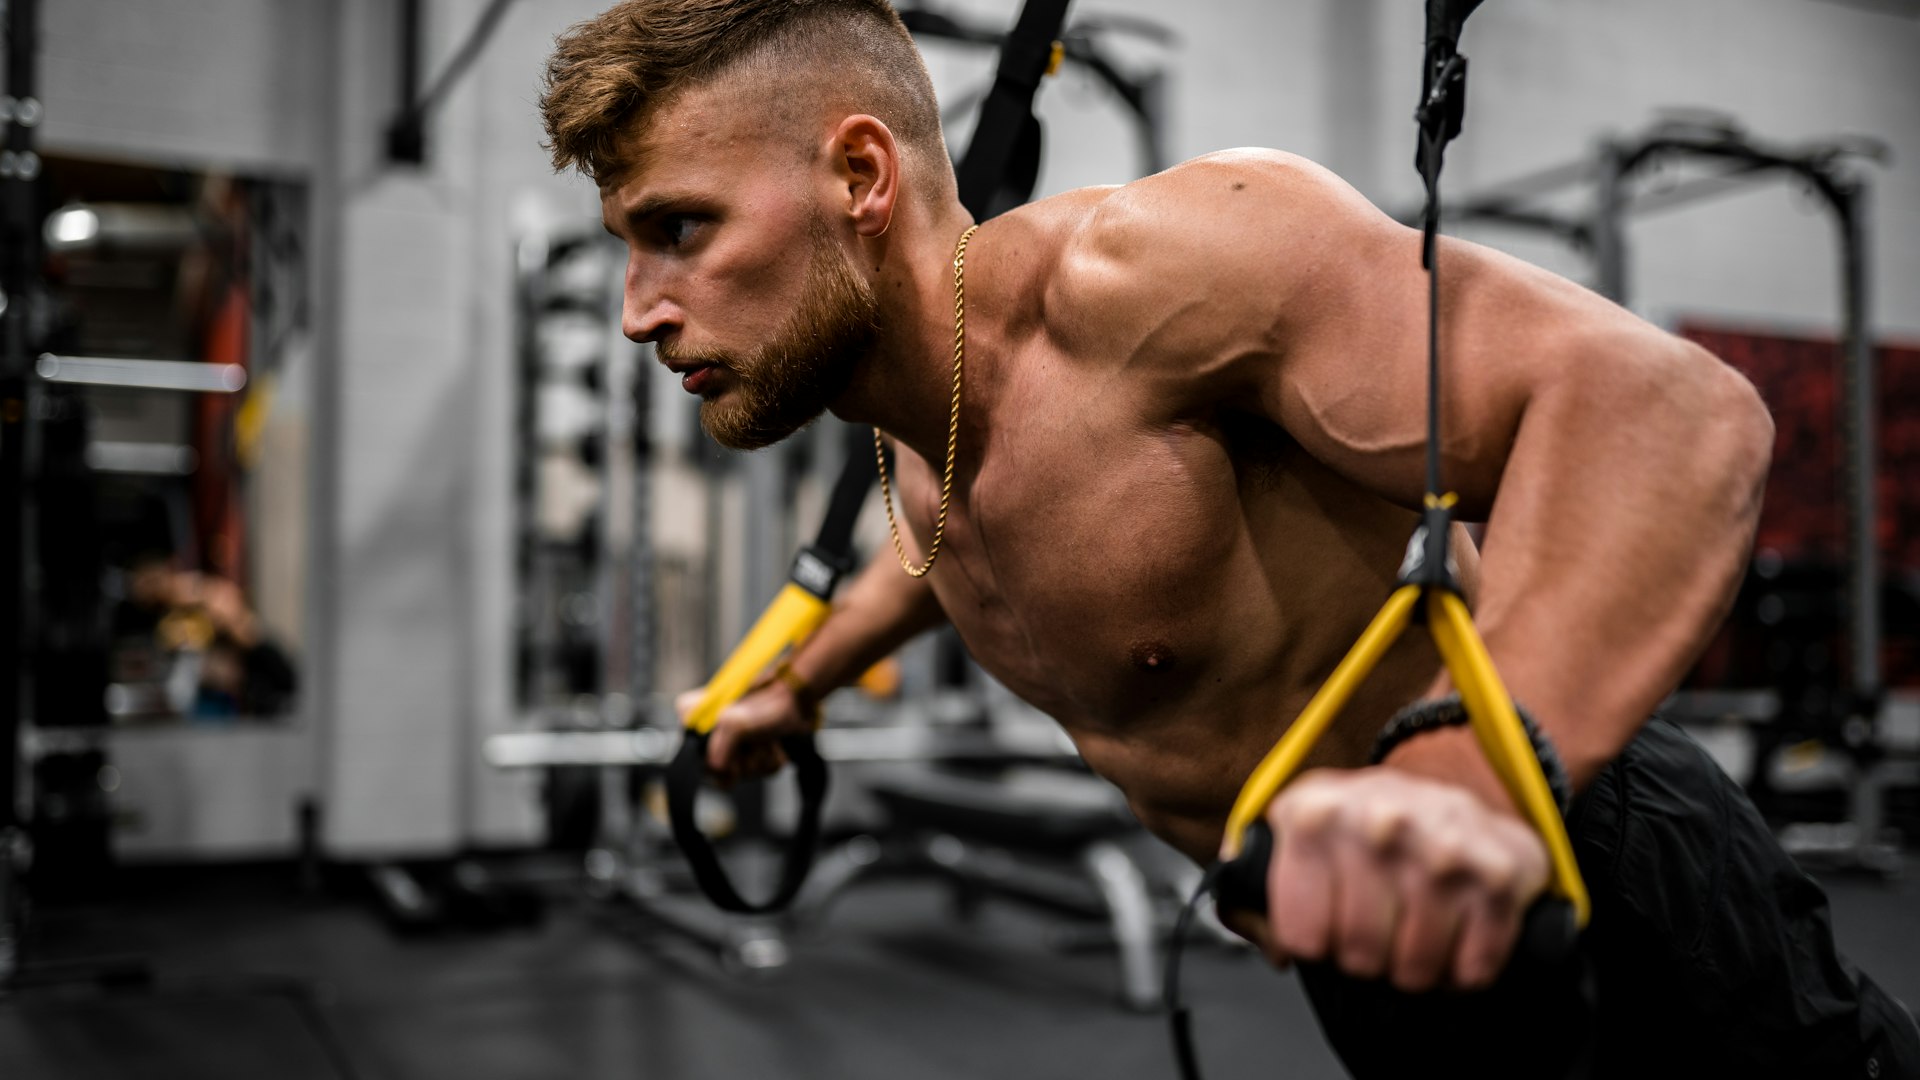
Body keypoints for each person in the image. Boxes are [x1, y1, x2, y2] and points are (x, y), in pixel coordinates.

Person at [539, 2, 1919, 1075]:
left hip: (1573, 852)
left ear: (858, 173)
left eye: (678, 230)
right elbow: (963, 557)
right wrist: (802, 683)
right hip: (1359, 944)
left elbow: (1669, 410)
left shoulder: (1158, 279)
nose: (638, 308)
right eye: (626, 247)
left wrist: (1471, 780)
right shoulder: (917, 423)